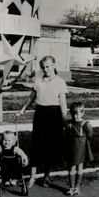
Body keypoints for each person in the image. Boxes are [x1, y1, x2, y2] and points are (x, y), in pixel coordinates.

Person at [17, 55, 68, 188]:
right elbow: (31, 98)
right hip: (40, 114)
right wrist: (22, 110)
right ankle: (32, 177)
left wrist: (65, 121)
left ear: (54, 65)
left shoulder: (60, 82)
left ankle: (47, 176)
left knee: (51, 146)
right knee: (36, 145)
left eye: (48, 66)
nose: (46, 69)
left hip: (54, 115)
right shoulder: (38, 81)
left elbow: (63, 104)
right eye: (43, 67)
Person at [64, 102, 93, 196]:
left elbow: (90, 134)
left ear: (83, 113)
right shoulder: (69, 124)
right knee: (72, 166)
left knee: (80, 166)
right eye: (73, 114)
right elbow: (67, 134)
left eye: (78, 113)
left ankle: (77, 187)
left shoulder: (85, 124)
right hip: (72, 147)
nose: (75, 116)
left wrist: (84, 141)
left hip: (81, 147)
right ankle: (71, 187)